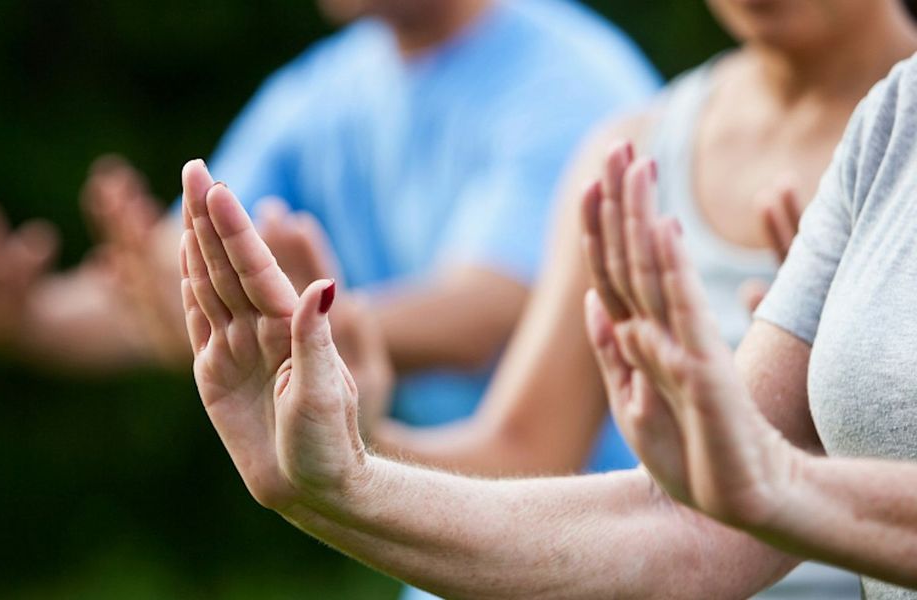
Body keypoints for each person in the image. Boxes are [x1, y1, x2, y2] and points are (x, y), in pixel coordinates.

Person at [178, 45, 917, 591]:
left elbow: (746, 494)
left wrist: (782, 485)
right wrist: (344, 476)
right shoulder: (890, 128)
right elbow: (690, 529)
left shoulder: (561, 78)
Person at [0, 0, 659, 462]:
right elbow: (177, 290)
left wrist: (283, 330)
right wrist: (25, 319)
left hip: (617, 558)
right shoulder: (318, 96)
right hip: (454, 561)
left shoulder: (574, 83)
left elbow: (490, 310)